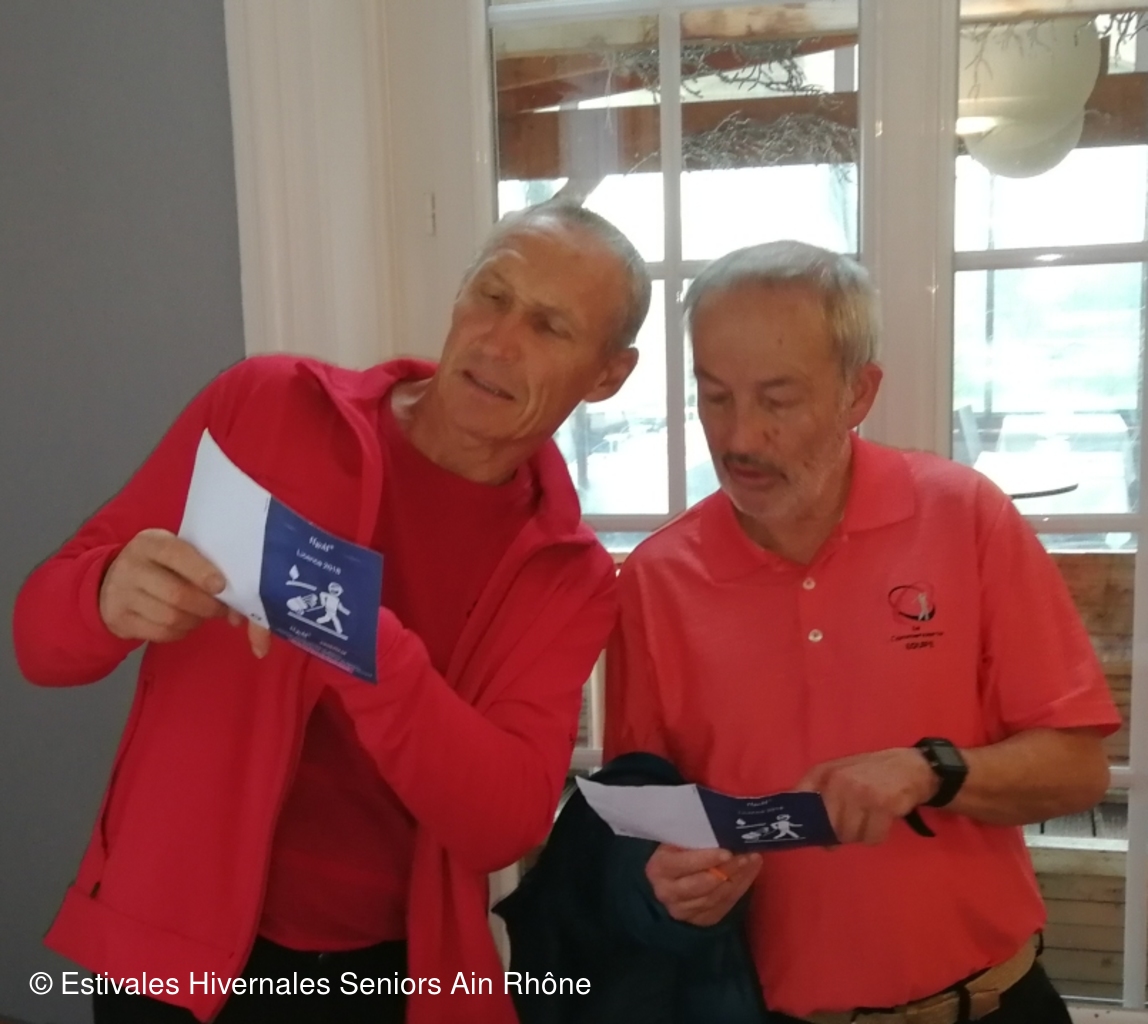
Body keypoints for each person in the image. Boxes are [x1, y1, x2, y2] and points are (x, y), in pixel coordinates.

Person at [13, 200, 650, 1024]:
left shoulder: (571, 574)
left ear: (607, 376)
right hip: (162, 947)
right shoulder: (268, 403)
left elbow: (504, 822)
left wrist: (356, 637)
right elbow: (38, 642)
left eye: (550, 327)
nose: (498, 342)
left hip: (377, 978)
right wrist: (103, 593)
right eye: (491, 296)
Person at [604, 240, 1119, 1024]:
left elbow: (1079, 772)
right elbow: (638, 818)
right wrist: (670, 882)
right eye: (715, 396)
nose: (739, 439)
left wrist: (930, 770)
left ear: (858, 392)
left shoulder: (965, 516)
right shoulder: (656, 578)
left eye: (778, 400)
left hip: (989, 1005)